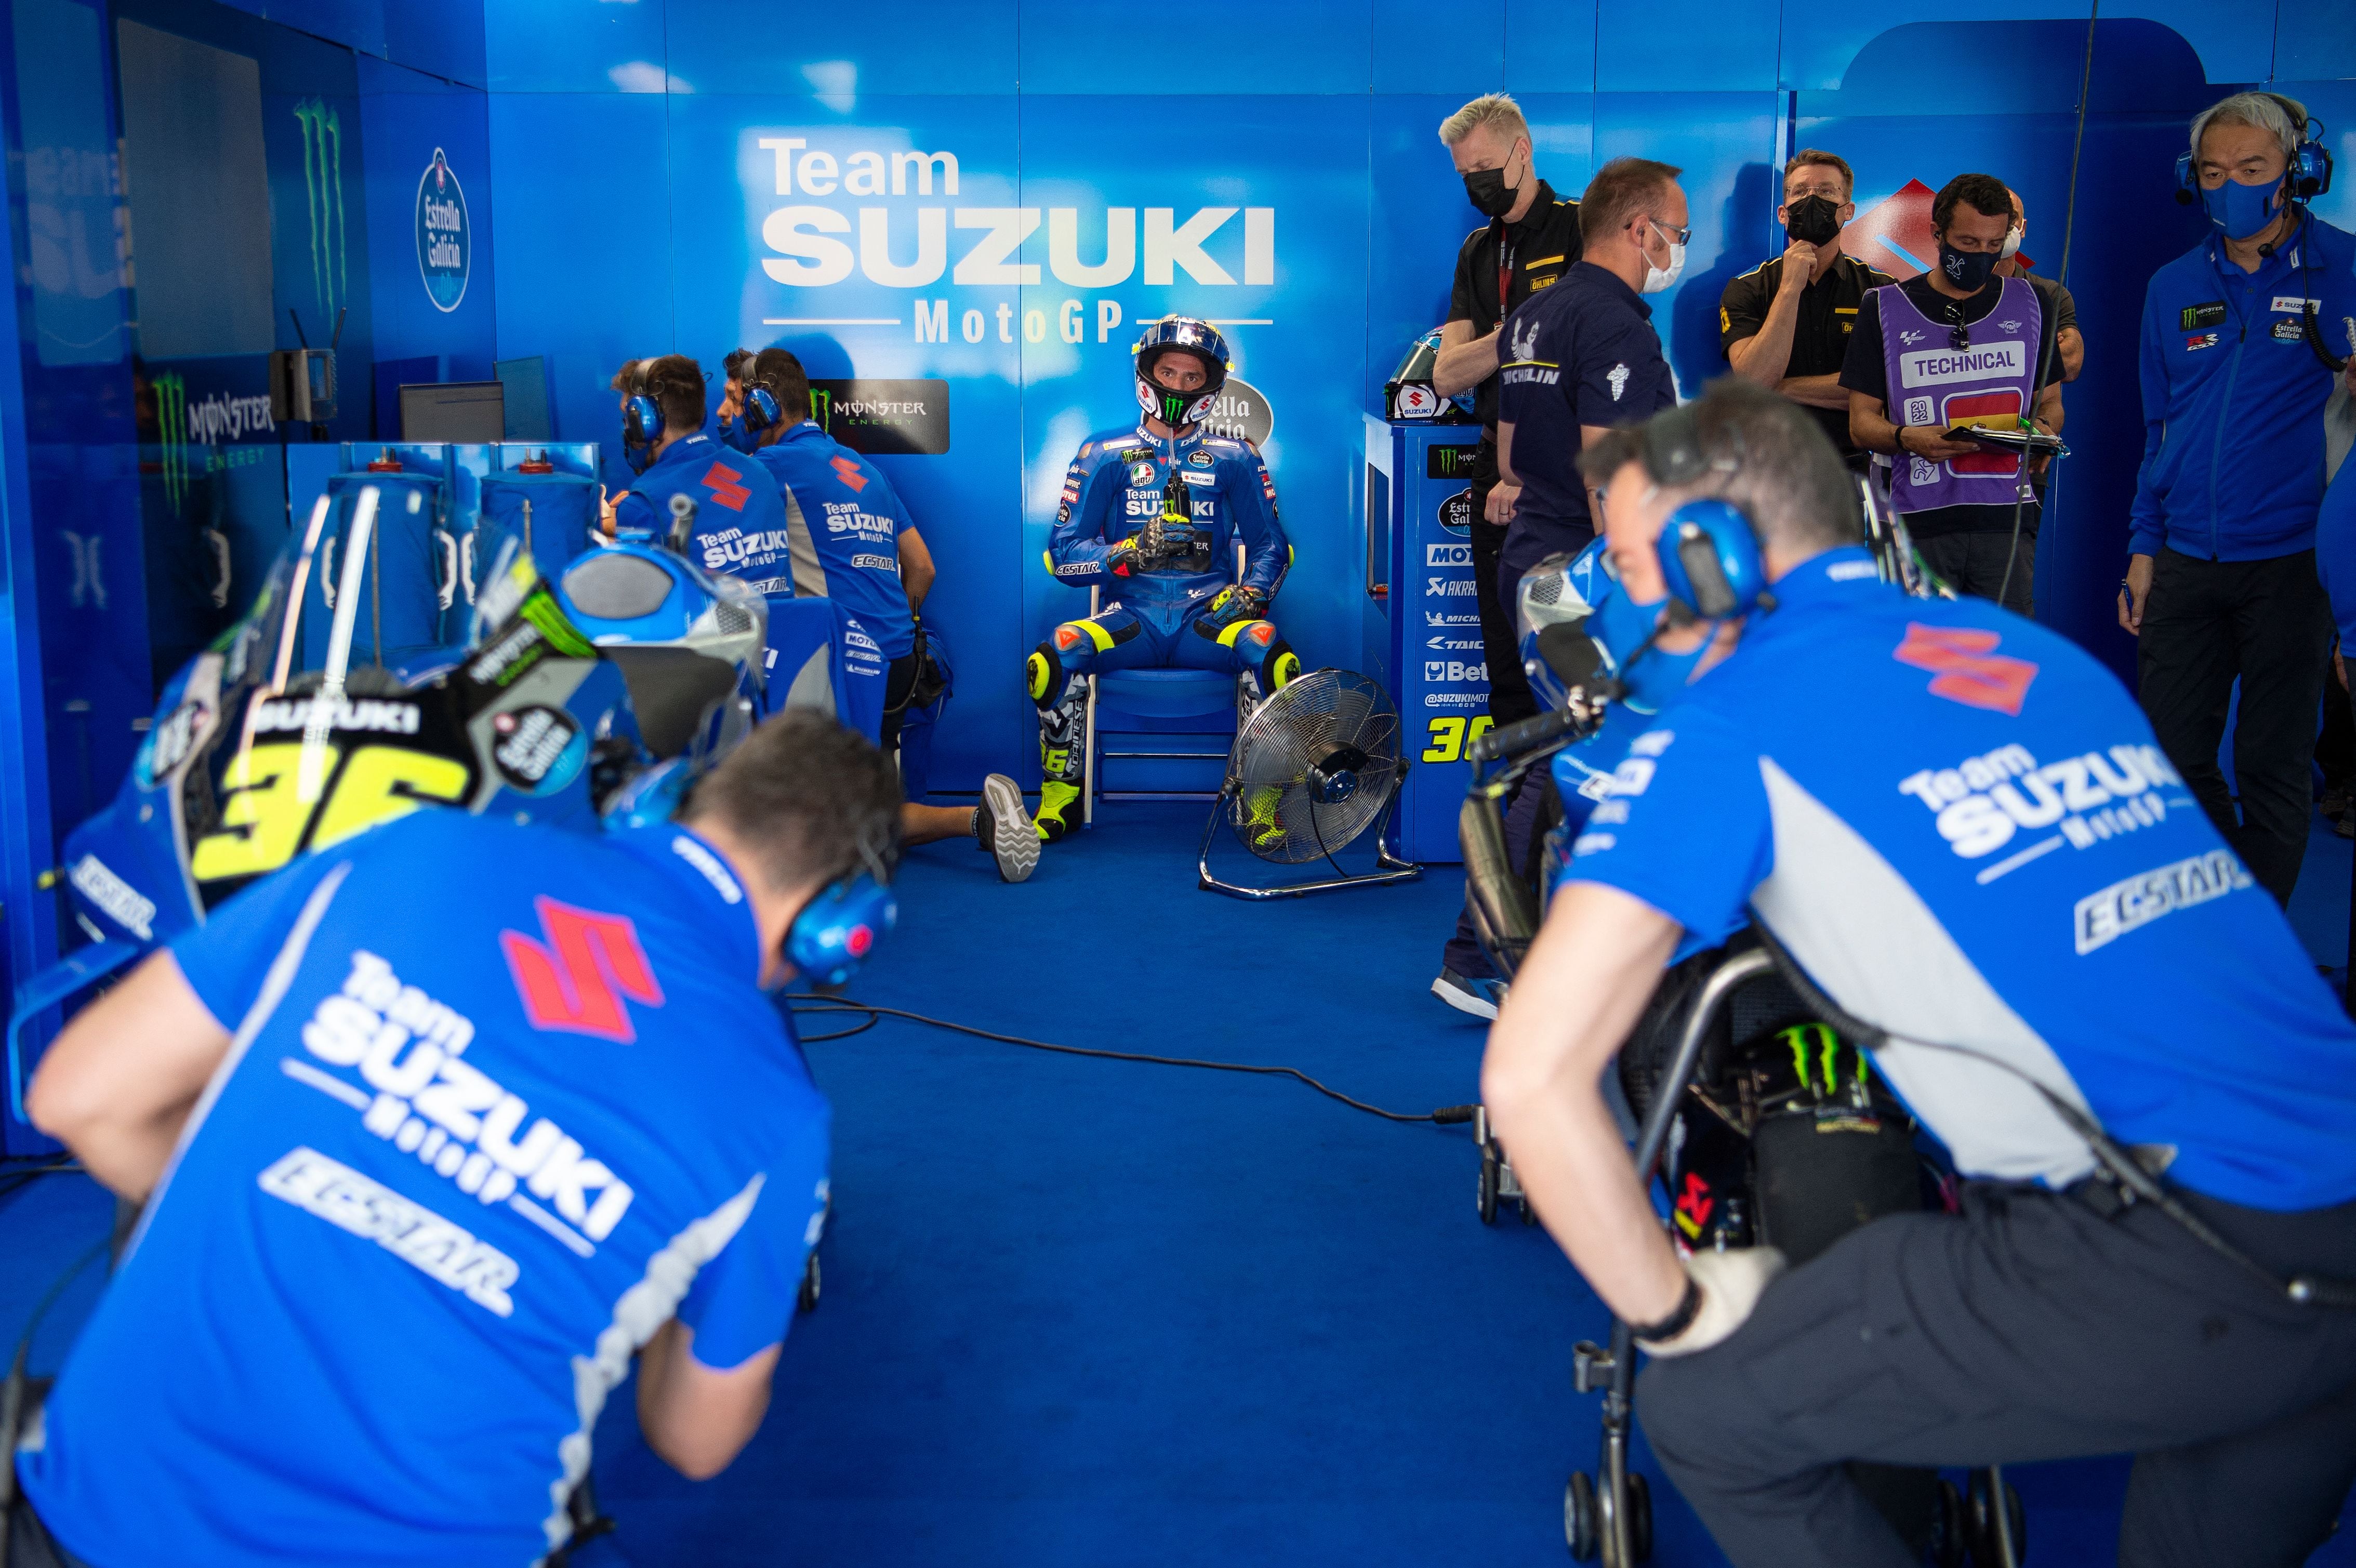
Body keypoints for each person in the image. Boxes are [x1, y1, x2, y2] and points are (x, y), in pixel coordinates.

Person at [1482, 377, 2356, 1568]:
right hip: (2329, 1206)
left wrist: (1683, 1311)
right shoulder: (2028, 653)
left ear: (1710, 556)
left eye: (1632, 566)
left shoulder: (1725, 726)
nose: (1623, 600)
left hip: (2179, 1249)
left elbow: (1531, 1081)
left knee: (1709, 1411)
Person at [14, 709, 897, 1566]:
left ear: (670, 799)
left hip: (94, 1517)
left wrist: (318, 1195)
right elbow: (693, 1439)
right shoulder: (778, 1118)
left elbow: (79, 1098)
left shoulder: (413, 847)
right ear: (837, 925)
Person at [1431, 156, 1678, 1019]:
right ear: (1635, 227)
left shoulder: (1532, 313)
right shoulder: (1616, 325)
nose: (1675, 245)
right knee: (1551, 765)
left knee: (1553, 755)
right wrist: (1643, 584)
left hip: (1527, 554)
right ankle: (1479, 956)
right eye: (1673, 229)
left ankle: (1529, 948)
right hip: (1582, 568)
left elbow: (1505, 455)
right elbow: (1608, 475)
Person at [2118, 90, 2356, 908]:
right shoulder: (2171, 284)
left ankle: (2261, 952)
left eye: (2251, 169)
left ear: (2299, 172)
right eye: (2213, 172)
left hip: (2295, 565)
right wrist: (2143, 545)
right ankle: (2230, 911)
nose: (2231, 188)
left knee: (2272, 765)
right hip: (2184, 558)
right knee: (2171, 761)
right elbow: (2157, 426)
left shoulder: (2348, 270)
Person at [737, 346, 1036, 882]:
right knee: (852, 801)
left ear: (763, 408)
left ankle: (976, 820)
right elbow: (922, 568)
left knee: (830, 819)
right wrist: (894, 627)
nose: (726, 416)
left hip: (835, 664)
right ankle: (977, 819)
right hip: (899, 657)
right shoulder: (863, 469)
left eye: (735, 402)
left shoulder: (768, 467)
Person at [1024, 314, 1295, 846]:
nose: (1176, 386)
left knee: (1271, 653)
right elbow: (1063, 556)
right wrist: (1127, 554)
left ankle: (1261, 802)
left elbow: (1271, 546)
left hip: (1207, 621)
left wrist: (1250, 595)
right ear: (1147, 373)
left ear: (1211, 385)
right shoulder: (1101, 453)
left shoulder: (1236, 456)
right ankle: (1061, 799)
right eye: (1167, 372)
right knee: (1052, 657)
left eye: (1191, 378)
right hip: (1132, 621)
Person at [1843, 172, 2066, 615]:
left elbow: (2053, 406)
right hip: (1913, 523)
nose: (1981, 256)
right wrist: (1911, 439)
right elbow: (1860, 423)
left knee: (2002, 669)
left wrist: (2042, 432)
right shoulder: (1883, 307)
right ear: (1936, 234)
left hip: (2006, 522)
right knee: (1914, 668)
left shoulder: (2034, 304)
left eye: (1993, 245)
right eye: (1967, 243)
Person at [1433, 92, 1585, 729]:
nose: (1475, 181)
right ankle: (1515, 824)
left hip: (1568, 480)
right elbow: (1446, 375)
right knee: (1508, 669)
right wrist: (1518, 333)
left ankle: (1577, 817)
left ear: (1522, 153)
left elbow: (1584, 363)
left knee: (1575, 662)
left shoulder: (1584, 228)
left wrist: (1522, 473)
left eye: (1484, 166)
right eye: (1464, 173)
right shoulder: (1476, 250)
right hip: (1492, 475)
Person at [1721, 149, 1895, 469]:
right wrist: (1790, 287)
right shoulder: (1747, 287)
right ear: (1783, 213)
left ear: (1848, 210)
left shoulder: (1883, 290)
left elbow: (1884, 392)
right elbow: (1753, 382)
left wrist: (1780, 387)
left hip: (1852, 465)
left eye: (1827, 191)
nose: (1812, 199)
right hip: (1768, 467)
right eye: (1800, 192)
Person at [607, 354, 796, 569]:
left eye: (629, 418)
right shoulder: (761, 474)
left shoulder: (643, 505)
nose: (628, 429)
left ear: (646, 421)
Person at [1994, 188, 2084, 384]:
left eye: (2012, 218)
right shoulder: (1956, 291)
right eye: (1995, 217)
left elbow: (2070, 365)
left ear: (2023, 229)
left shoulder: (2049, 295)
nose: (2004, 225)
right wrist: (2041, 347)